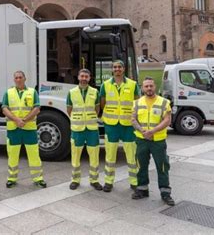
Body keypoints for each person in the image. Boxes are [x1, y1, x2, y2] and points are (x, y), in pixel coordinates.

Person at [131, 77, 175, 206]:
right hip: (142, 139)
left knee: (162, 166)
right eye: (146, 86)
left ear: (155, 86)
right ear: (142, 88)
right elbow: (133, 119)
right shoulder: (137, 103)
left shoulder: (164, 102)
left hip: (158, 140)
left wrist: (152, 131)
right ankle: (142, 190)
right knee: (141, 165)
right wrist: (143, 131)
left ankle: (165, 193)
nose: (149, 88)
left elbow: (167, 120)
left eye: (151, 86)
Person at [100, 59, 140, 192]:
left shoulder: (133, 84)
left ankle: (134, 182)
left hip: (128, 125)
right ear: (112, 69)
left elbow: (137, 103)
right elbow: (102, 103)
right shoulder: (105, 85)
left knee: (131, 155)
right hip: (111, 126)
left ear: (124, 69)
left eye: (119, 67)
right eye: (115, 67)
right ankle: (108, 182)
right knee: (110, 156)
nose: (117, 69)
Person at [2, 71, 47, 188]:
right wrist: (17, 120)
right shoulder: (8, 92)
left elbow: (37, 108)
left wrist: (24, 120)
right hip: (14, 129)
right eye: (16, 78)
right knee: (12, 155)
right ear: (14, 79)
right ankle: (11, 178)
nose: (18, 79)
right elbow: (4, 109)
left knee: (34, 155)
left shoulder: (32, 92)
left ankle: (38, 178)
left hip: (29, 129)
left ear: (25, 78)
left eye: (20, 77)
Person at [67, 69, 103, 191]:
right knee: (75, 156)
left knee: (94, 156)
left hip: (92, 129)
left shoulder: (95, 92)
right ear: (78, 77)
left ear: (89, 78)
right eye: (82, 76)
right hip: (77, 129)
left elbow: (97, 108)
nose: (84, 78)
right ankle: (75, 180)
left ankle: (94, 180)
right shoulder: (71, 92)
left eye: (86, 76)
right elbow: (69, 109)